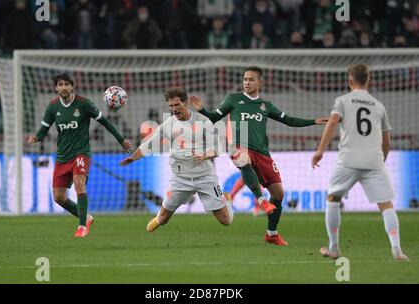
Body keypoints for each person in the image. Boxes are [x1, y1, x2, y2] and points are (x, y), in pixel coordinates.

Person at [190, 66, 328, 246]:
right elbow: (213, 118)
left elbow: (289, 120)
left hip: (262, 152)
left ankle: (272, 234)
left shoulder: (266, 105)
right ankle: (261, 200)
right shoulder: (234, 99)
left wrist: (314, 121)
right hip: (239, 147)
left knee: (279, 194)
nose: (246, 82)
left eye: (251, 79)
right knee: (243, 158)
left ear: (260, 82)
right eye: (245, 79)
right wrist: (201, 110)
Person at [312, 64, 409, 261]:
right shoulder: (378, 105)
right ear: (368, 80)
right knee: (386, 205)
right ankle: (397, 251)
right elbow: (387, 140)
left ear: (350, 81)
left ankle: (334, 248)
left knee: (333, 199)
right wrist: (381, 161)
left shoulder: (342, 101)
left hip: (348, 159)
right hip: (374, 161)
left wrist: (320, 151)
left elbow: (331, 123)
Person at [27, 73, 132, 237]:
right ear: (56, 88)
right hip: (62, 156)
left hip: (81, 153)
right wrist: (36, 137)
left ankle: (82, 226)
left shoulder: (84, 104)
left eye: (66, 84)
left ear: (72, 86)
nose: (63, 87)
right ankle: (87, 217)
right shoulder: (53, 106)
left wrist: (121, 140)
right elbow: (44, 128)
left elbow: (104, 121)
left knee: (79, 183)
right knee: (58, 197)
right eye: (60, 85)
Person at [120, 87, 234, 232]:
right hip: (180, 179)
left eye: (177, 105)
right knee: (163, 219)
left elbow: (217, 148)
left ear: (185, 103)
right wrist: (133, 158)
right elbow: (147, 146)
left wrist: (204, 155)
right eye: (171, 106)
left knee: (226, 221)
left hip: (205, 176)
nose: (174, 109)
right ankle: (158, 218)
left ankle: (227, 201)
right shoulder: (168, 125)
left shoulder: (203, 121)